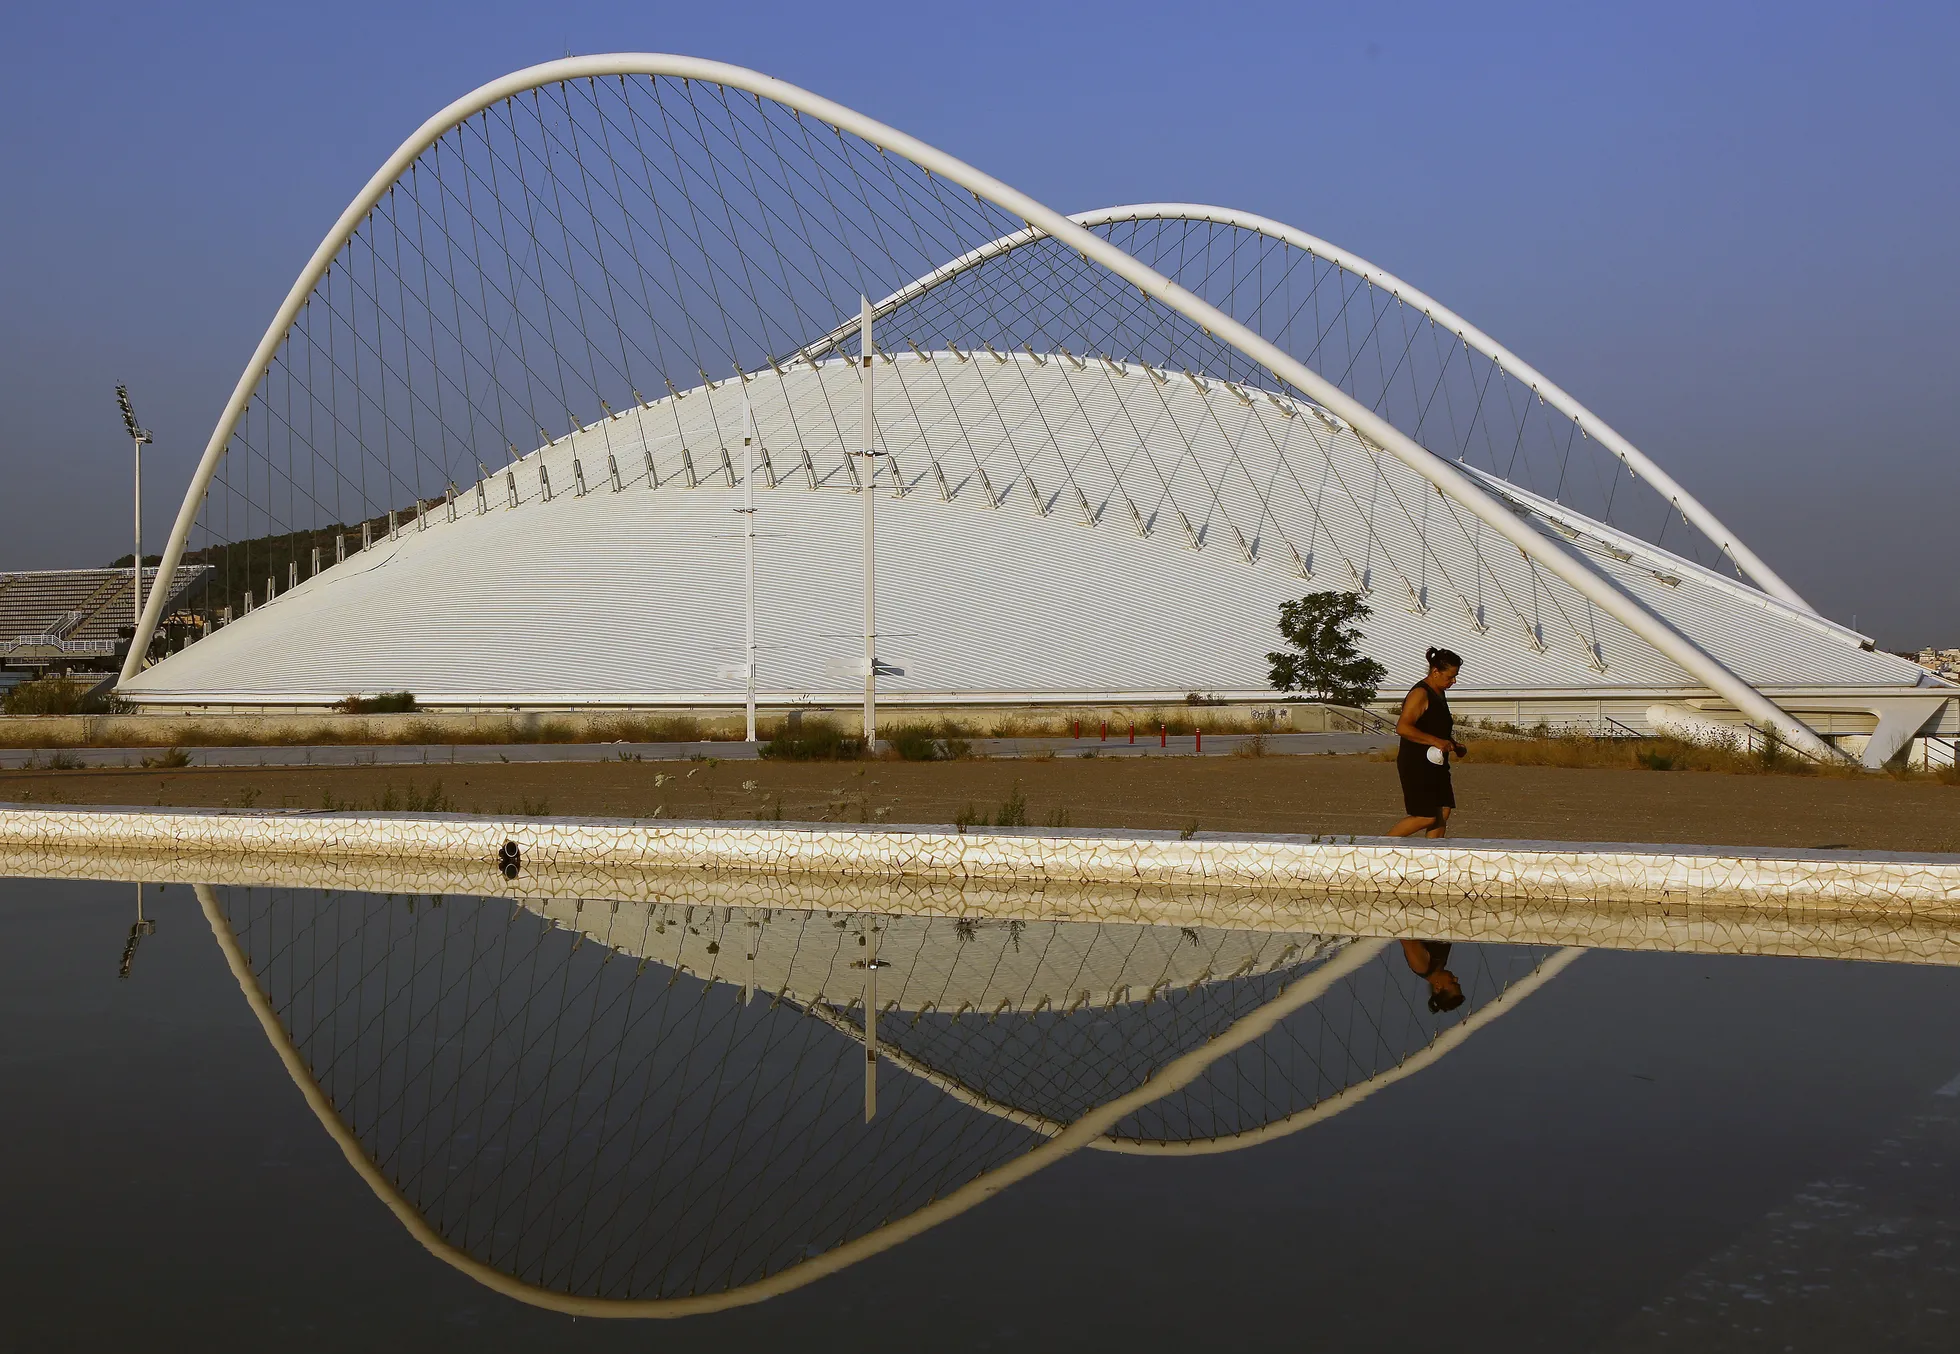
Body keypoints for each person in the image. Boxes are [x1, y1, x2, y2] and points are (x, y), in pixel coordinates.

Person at [1389, 646, 1466, 838]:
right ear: (1435, 672)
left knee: (1443, 811)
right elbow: (1403, 727)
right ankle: (1376, 850)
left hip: (1437, 763)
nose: (1454, 681)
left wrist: (1453, 745)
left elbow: (1434, 727)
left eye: (1455, 676)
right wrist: (1437, 741)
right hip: (1416, 763)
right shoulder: (1420, 693)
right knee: (1425, 817)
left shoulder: (1439, 693)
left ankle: (1432, 857)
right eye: (1450, 677)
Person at [1400, 939, 1465, 1013]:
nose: (1456, 978)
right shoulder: (1441, 964)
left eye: (1452, 983)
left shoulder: (1421, 966)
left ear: (1438, 987)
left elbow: (1406, 935)